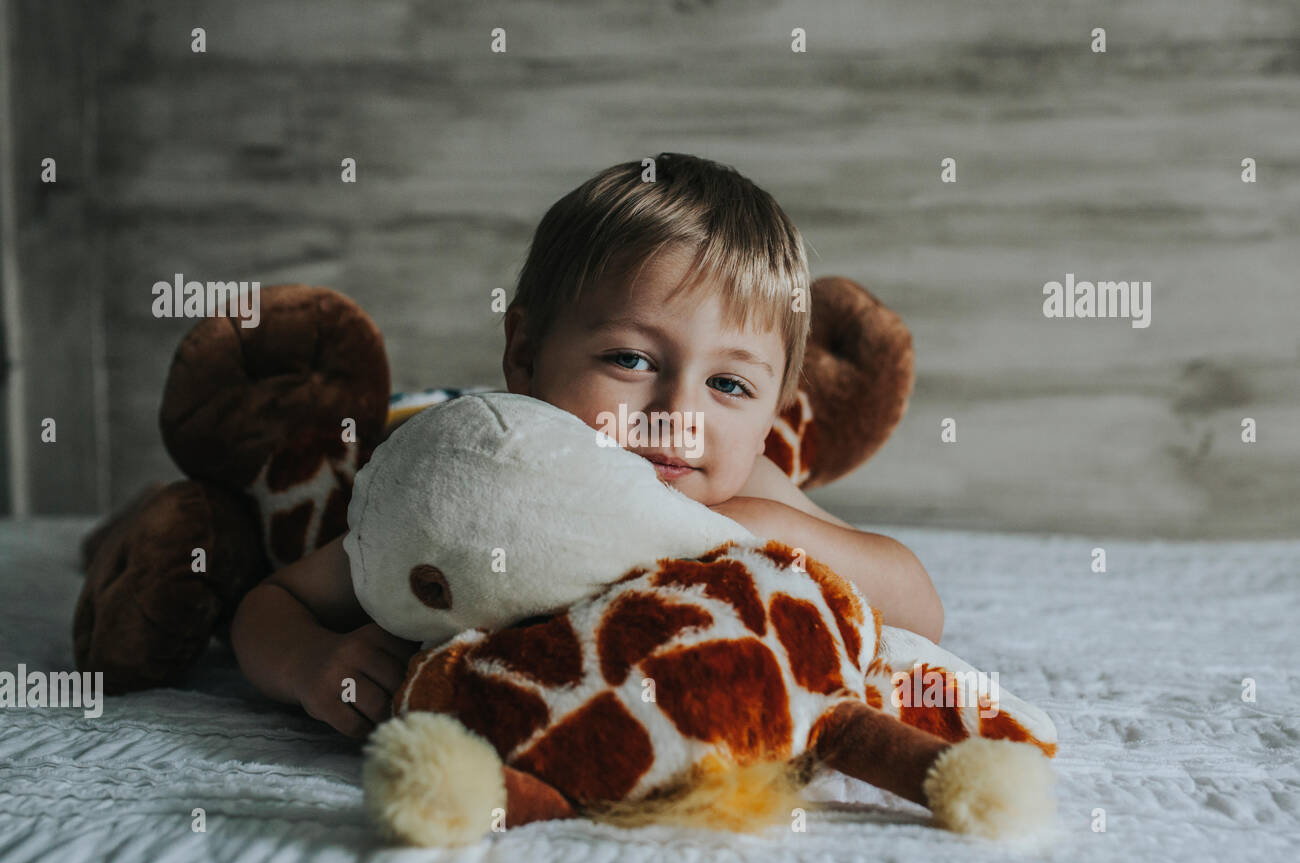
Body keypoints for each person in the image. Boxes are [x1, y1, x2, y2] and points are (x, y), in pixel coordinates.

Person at [230, 153, 943, 739]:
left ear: (773, 414)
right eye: (631, 360)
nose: (678, 413)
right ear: (526, 352)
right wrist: (311, 662)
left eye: (729, 383)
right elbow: (274, 601)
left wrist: (764, 531)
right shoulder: (482, 487)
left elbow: (919, 608)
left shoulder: (743, 491)